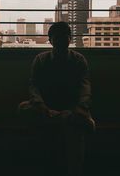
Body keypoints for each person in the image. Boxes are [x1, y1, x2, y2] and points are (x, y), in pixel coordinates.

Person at [19, 21, 95, 176]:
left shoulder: (78, 60)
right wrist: (42, 106)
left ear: (70, 39)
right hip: (48, 108)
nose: (60, 40)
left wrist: (80, 108)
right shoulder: (41, 59)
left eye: (64, 37)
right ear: (50, 39)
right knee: (23, 108)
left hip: (71, 108)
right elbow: (34, 86)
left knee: (77, 122)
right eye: (57, 37)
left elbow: (84, 88)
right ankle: (65, 119)